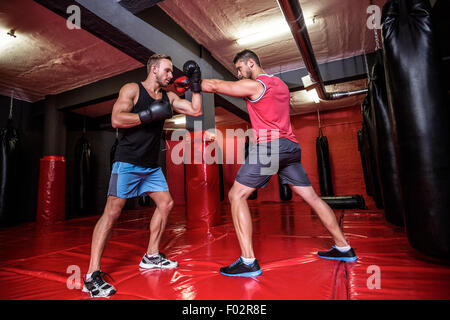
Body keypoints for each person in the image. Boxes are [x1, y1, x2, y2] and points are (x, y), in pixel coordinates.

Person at [200, 49, 357, 277]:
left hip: (271, 146)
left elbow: (214, 86)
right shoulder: (281, 85)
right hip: (290, 147)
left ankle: (247, 261)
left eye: (239, 68)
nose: (238, 74)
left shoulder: (257, 85)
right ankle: (343, 247)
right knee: (312, 197)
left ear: (251, 63)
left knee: (236, 196)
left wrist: (192, 83)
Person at [82, 54, 203, 297]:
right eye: (167, 71)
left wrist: (196, 84)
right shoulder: (132, 90)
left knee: (166, 203)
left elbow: (196, 110)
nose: (171, 75)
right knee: (113, 212)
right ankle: (91, 275)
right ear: (154, 69)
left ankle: (151, 255)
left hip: (151, 166)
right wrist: (147, 115)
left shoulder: (168, 97)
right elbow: (116, 119)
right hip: (127, 162)